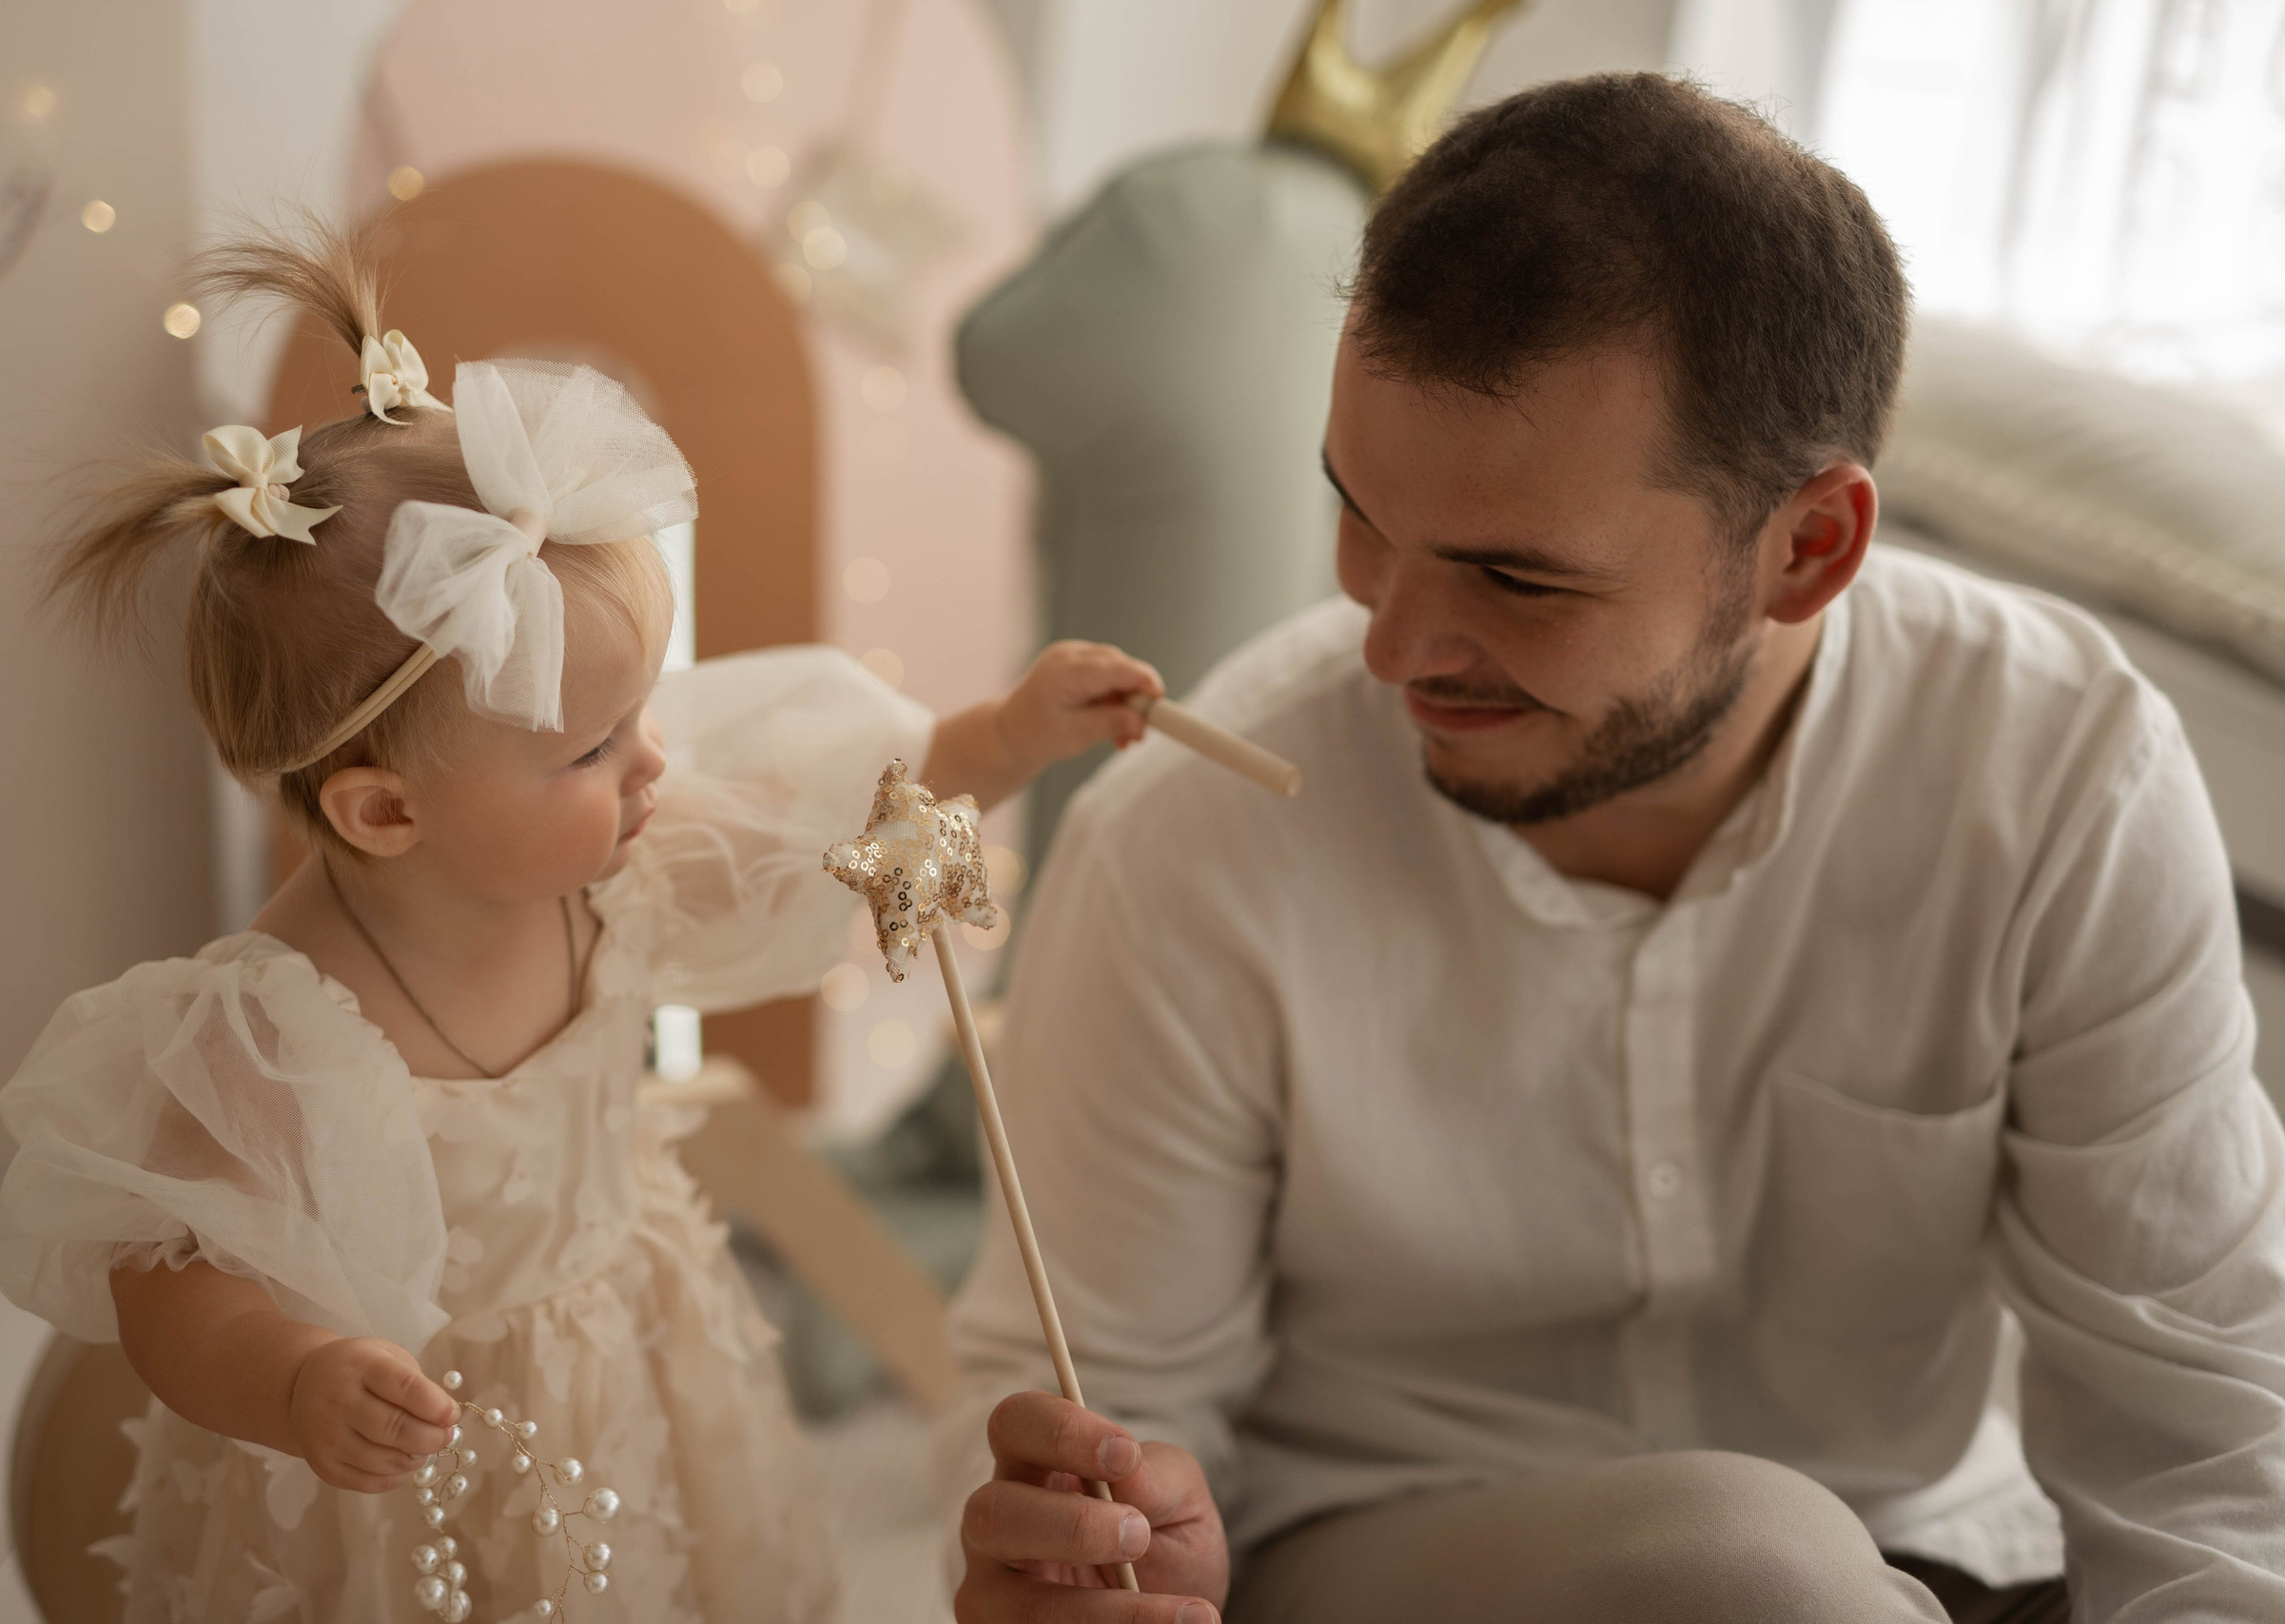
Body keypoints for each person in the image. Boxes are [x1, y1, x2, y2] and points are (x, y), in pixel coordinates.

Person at [943, 73, 2285, 1624]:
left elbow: (2206, 1438)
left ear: (1808, 549)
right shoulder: (1196, 837)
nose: (1390, 645)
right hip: (1362, 1562)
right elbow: (1103, 1413)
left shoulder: (2062, 778)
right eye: (1362, 515)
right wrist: (1090, 1549)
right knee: (1752, 1561)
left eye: (1515, 578)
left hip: (1931, 1559)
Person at [0, 223, 1162, 1623]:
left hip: (627, 1381)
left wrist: (1009, 734)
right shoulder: (273, 1026)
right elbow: (169, 1287)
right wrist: (292, 1376)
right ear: (383, 814)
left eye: (643, 714)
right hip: (402, 1471)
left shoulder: (614, 876)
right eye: (593, 747)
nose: (653, 763)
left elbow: (841, 804)